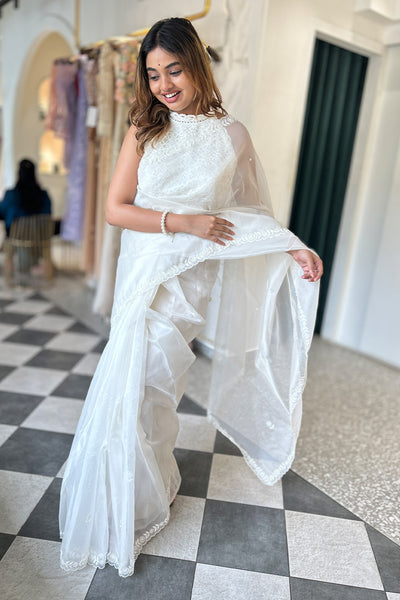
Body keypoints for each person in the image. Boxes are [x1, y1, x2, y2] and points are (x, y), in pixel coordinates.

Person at [59, 17, 323, 577]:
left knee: (158, 391)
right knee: (131, 389)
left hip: (188, 285)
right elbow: (115, 209)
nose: (164, 85)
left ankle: (148, 489)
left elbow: (247, 213)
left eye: (174, 70)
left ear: (198, 64)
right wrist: (182, 221)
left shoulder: (234, 136)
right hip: (144, 277)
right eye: (154, 75)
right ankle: (119, 505)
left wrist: (292, 246)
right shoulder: (144, 127)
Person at [0, 159, 52, 281]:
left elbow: (1, 213)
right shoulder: (44, 195)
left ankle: (9, 278)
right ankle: (46, 276)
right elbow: (49, 215)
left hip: (16, 239)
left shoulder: (11, 194)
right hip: (41, 238)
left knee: (8, 239)